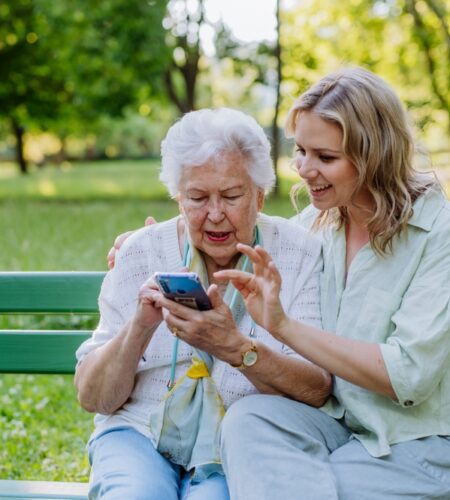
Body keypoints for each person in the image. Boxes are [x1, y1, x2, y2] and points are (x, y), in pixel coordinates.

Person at [214, 67, 450, 499]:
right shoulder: (315, 226)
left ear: (375, 154)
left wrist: (284, 326)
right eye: (301, 151)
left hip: (416, 445)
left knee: (290, 483)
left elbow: (408, 376)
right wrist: (145, 243)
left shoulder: (438, 234)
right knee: (249, 420)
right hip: (336, 424)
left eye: (325, 158)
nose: (304, 169)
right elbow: (236, 239)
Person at [75, 107, 331, 499]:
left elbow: (317, 390)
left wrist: (234, 348)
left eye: (231, 196)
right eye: (196, 197)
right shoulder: (141, 252)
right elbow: (94, 399)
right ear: (177, 198)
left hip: (238, 442)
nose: (214, 215)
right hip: (137, 431)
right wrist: (139, 328)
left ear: (260, 196)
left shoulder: (299, 255)